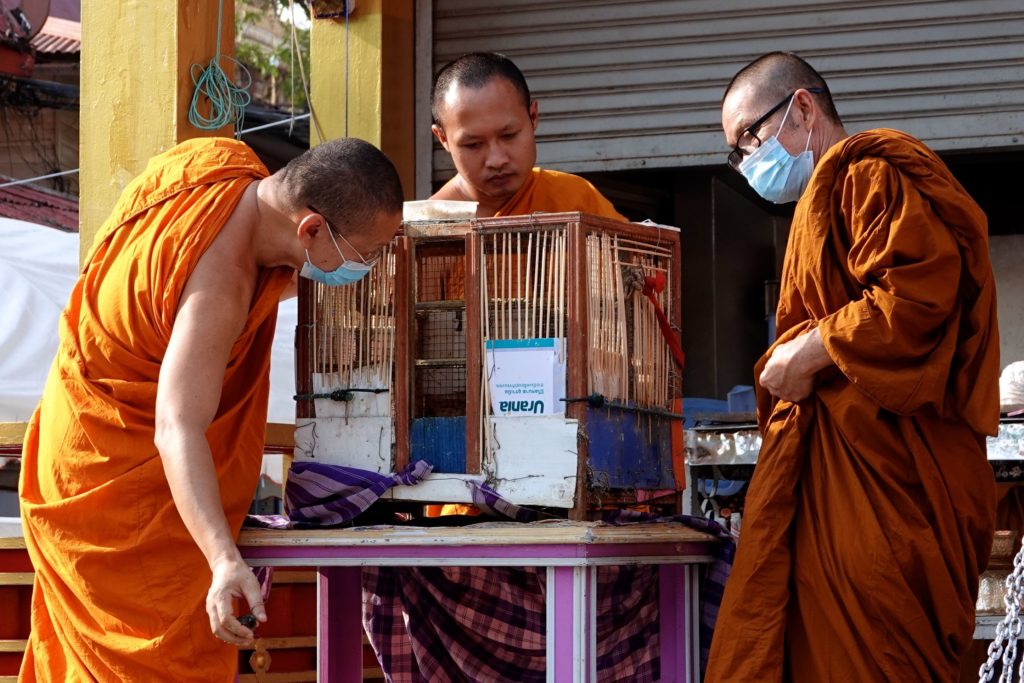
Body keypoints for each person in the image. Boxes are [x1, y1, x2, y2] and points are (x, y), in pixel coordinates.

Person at [18, 136, 403, 681]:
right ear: (311, 229)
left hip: (75, 440)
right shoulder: (218, 284)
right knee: (160, 664)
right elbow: (177, 427)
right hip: (122, 491)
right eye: (364, 255)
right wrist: (223, 559)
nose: (366, 267)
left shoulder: (220, 163)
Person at [705, 51, 1000, 682]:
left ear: (803, 108)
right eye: (736, 154)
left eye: (750, 139)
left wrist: (805, 353)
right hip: (844, 487)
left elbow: (916, 300)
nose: (747, 165)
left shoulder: (867, 176)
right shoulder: (823, 204)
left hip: (893, 496)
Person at [430, 51, 626, 221]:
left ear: (533, 117)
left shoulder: (576, 200)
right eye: (473, 144)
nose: (497, 161)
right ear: (443, 139)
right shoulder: (426, 227)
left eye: (509, 135)